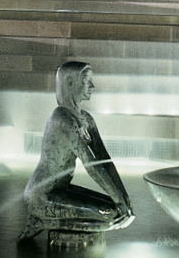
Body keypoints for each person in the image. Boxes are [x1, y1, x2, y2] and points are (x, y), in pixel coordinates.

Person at [18, 61, 134, 240]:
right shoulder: (62, 119)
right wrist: (119, 202)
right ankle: (42, 221)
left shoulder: (86, 119)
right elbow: (91, 165)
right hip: (40, 197)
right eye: (87, 81)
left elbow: (104, 160)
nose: (92, 86)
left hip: (61, 190)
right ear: (70, 83)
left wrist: (124, 198)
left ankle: (46, 221)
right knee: (111, 213)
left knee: (116, 209)